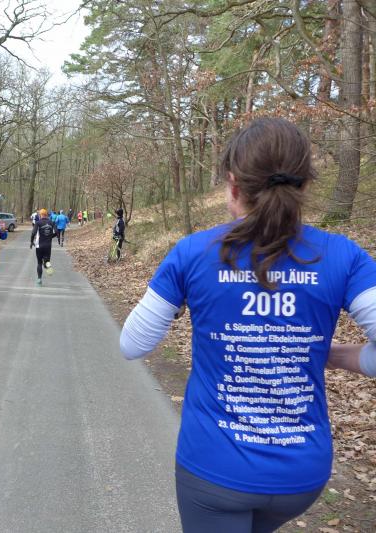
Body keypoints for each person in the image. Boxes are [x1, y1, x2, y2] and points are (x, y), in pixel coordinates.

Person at [119, 117, 376, 533]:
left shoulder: (192, 253)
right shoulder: (343, 255)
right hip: (301, 475)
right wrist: (330, 355)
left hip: (214, 470)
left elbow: (132, 344)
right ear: (305, 184)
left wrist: (181, 301)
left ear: (233, 183)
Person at [30, 208, 57, 286]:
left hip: (39, 246)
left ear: (40, 215)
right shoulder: (51, 222)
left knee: (39, 263)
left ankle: (39, 280)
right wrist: (50, 236)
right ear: (47, 215)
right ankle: (47, 266)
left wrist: (31, 242)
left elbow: (33, 233)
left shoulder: (38, 223)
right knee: (47, 261)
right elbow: (57, 232)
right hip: (48, 246)